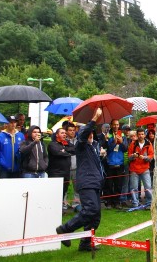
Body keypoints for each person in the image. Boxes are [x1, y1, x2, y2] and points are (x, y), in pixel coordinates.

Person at [56, 108, 105, 252]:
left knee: (96, 216)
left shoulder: (93, 147)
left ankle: (85, 243)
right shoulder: (80, 144)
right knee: (90, 210)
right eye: (89, 132)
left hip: (95, 183)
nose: (90, 134)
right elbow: (83, 133)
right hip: (87, 182)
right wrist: (94, 118)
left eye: (92, 132)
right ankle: (65, 229)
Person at [48, 128, 75, 212]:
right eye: (62, 133)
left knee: (64, 191)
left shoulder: (66, 143)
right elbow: (57, 153)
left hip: (66, 172)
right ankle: (52, 210)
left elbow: (75, 149)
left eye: (65, 133)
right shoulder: (52, 144)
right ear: (57, 135)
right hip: (56, 172)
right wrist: (66, 152)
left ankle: (59, 210)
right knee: (55, 193)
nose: (64, 134)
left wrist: (65, 150)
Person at [128, 128, 154, 209]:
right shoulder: (132, 144)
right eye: (139, 134)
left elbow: (151, 156)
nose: (141, 136)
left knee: (148, 187)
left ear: (144, 135)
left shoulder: (148, 143)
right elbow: (129, 157)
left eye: (142, 134)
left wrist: (145, 158)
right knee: (134, 187)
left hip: (145, 168)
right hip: (134, 169)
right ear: (137, 135)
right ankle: (135, 203)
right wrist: (133, 156)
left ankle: (149, 203)